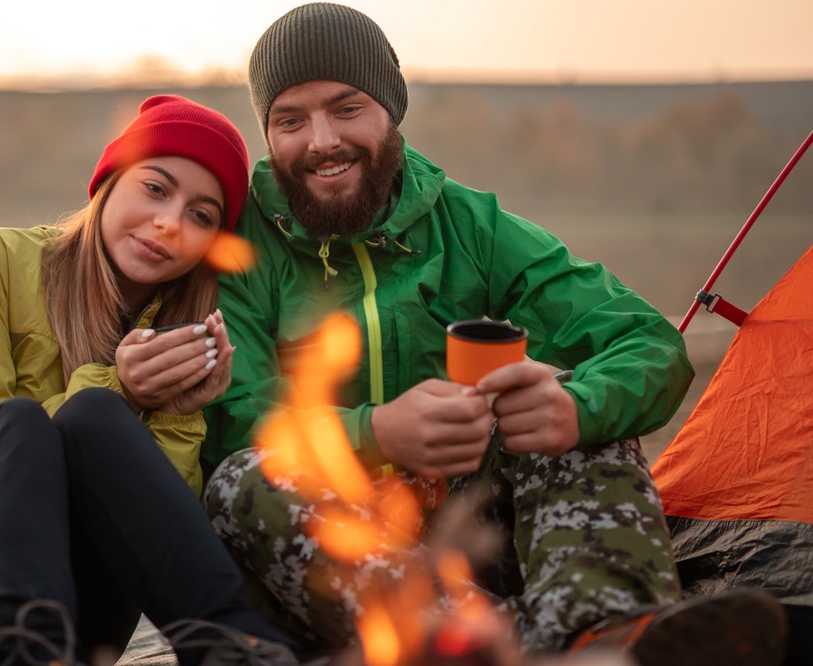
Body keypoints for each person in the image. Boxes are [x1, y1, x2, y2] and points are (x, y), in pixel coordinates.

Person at [200, 4, 786, 665]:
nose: (321, 139)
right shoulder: (239, 245)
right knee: (245, 479)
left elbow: (646, 342)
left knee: (562, 402)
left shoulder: (470, 226)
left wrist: (574, 407)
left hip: (486, 533)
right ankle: (499, 645)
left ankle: (603, 633)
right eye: (290, 120)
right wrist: (379, 432)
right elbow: (231, 416)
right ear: (268, 132)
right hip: (341, 567)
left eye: (346, 108)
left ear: (391, 108)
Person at [0, 94, 303, 666]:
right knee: (23, 422)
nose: (169, 223)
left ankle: (238, 647)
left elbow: (146, 544)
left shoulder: (175, 337)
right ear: (107, 182)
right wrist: (118, 388)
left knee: (94, 418)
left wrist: (174, 412)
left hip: (64, 613)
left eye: (201, 215)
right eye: (155, 188)